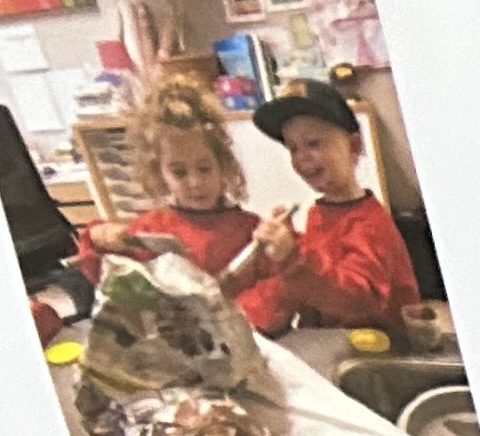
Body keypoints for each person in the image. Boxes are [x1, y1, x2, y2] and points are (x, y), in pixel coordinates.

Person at [225, 88, 420, 336]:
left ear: (354, 146)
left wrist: (292, 257)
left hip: (385, 346)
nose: (302, 157)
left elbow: (358, 300)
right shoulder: (318, 213)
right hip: (336, 341)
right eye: (293, 148)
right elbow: (310, 285)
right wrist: (242, 314)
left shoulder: (369, 224)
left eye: (313, 143)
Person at [74, 84, 255, 282]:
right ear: (159, 173)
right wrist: (99, 238)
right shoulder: (150, 230)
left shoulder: (249, 230)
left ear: (223, 165)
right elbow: (103, 275)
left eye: (204, 169)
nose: (195, 182)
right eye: (179, 173)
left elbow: (274, 285)